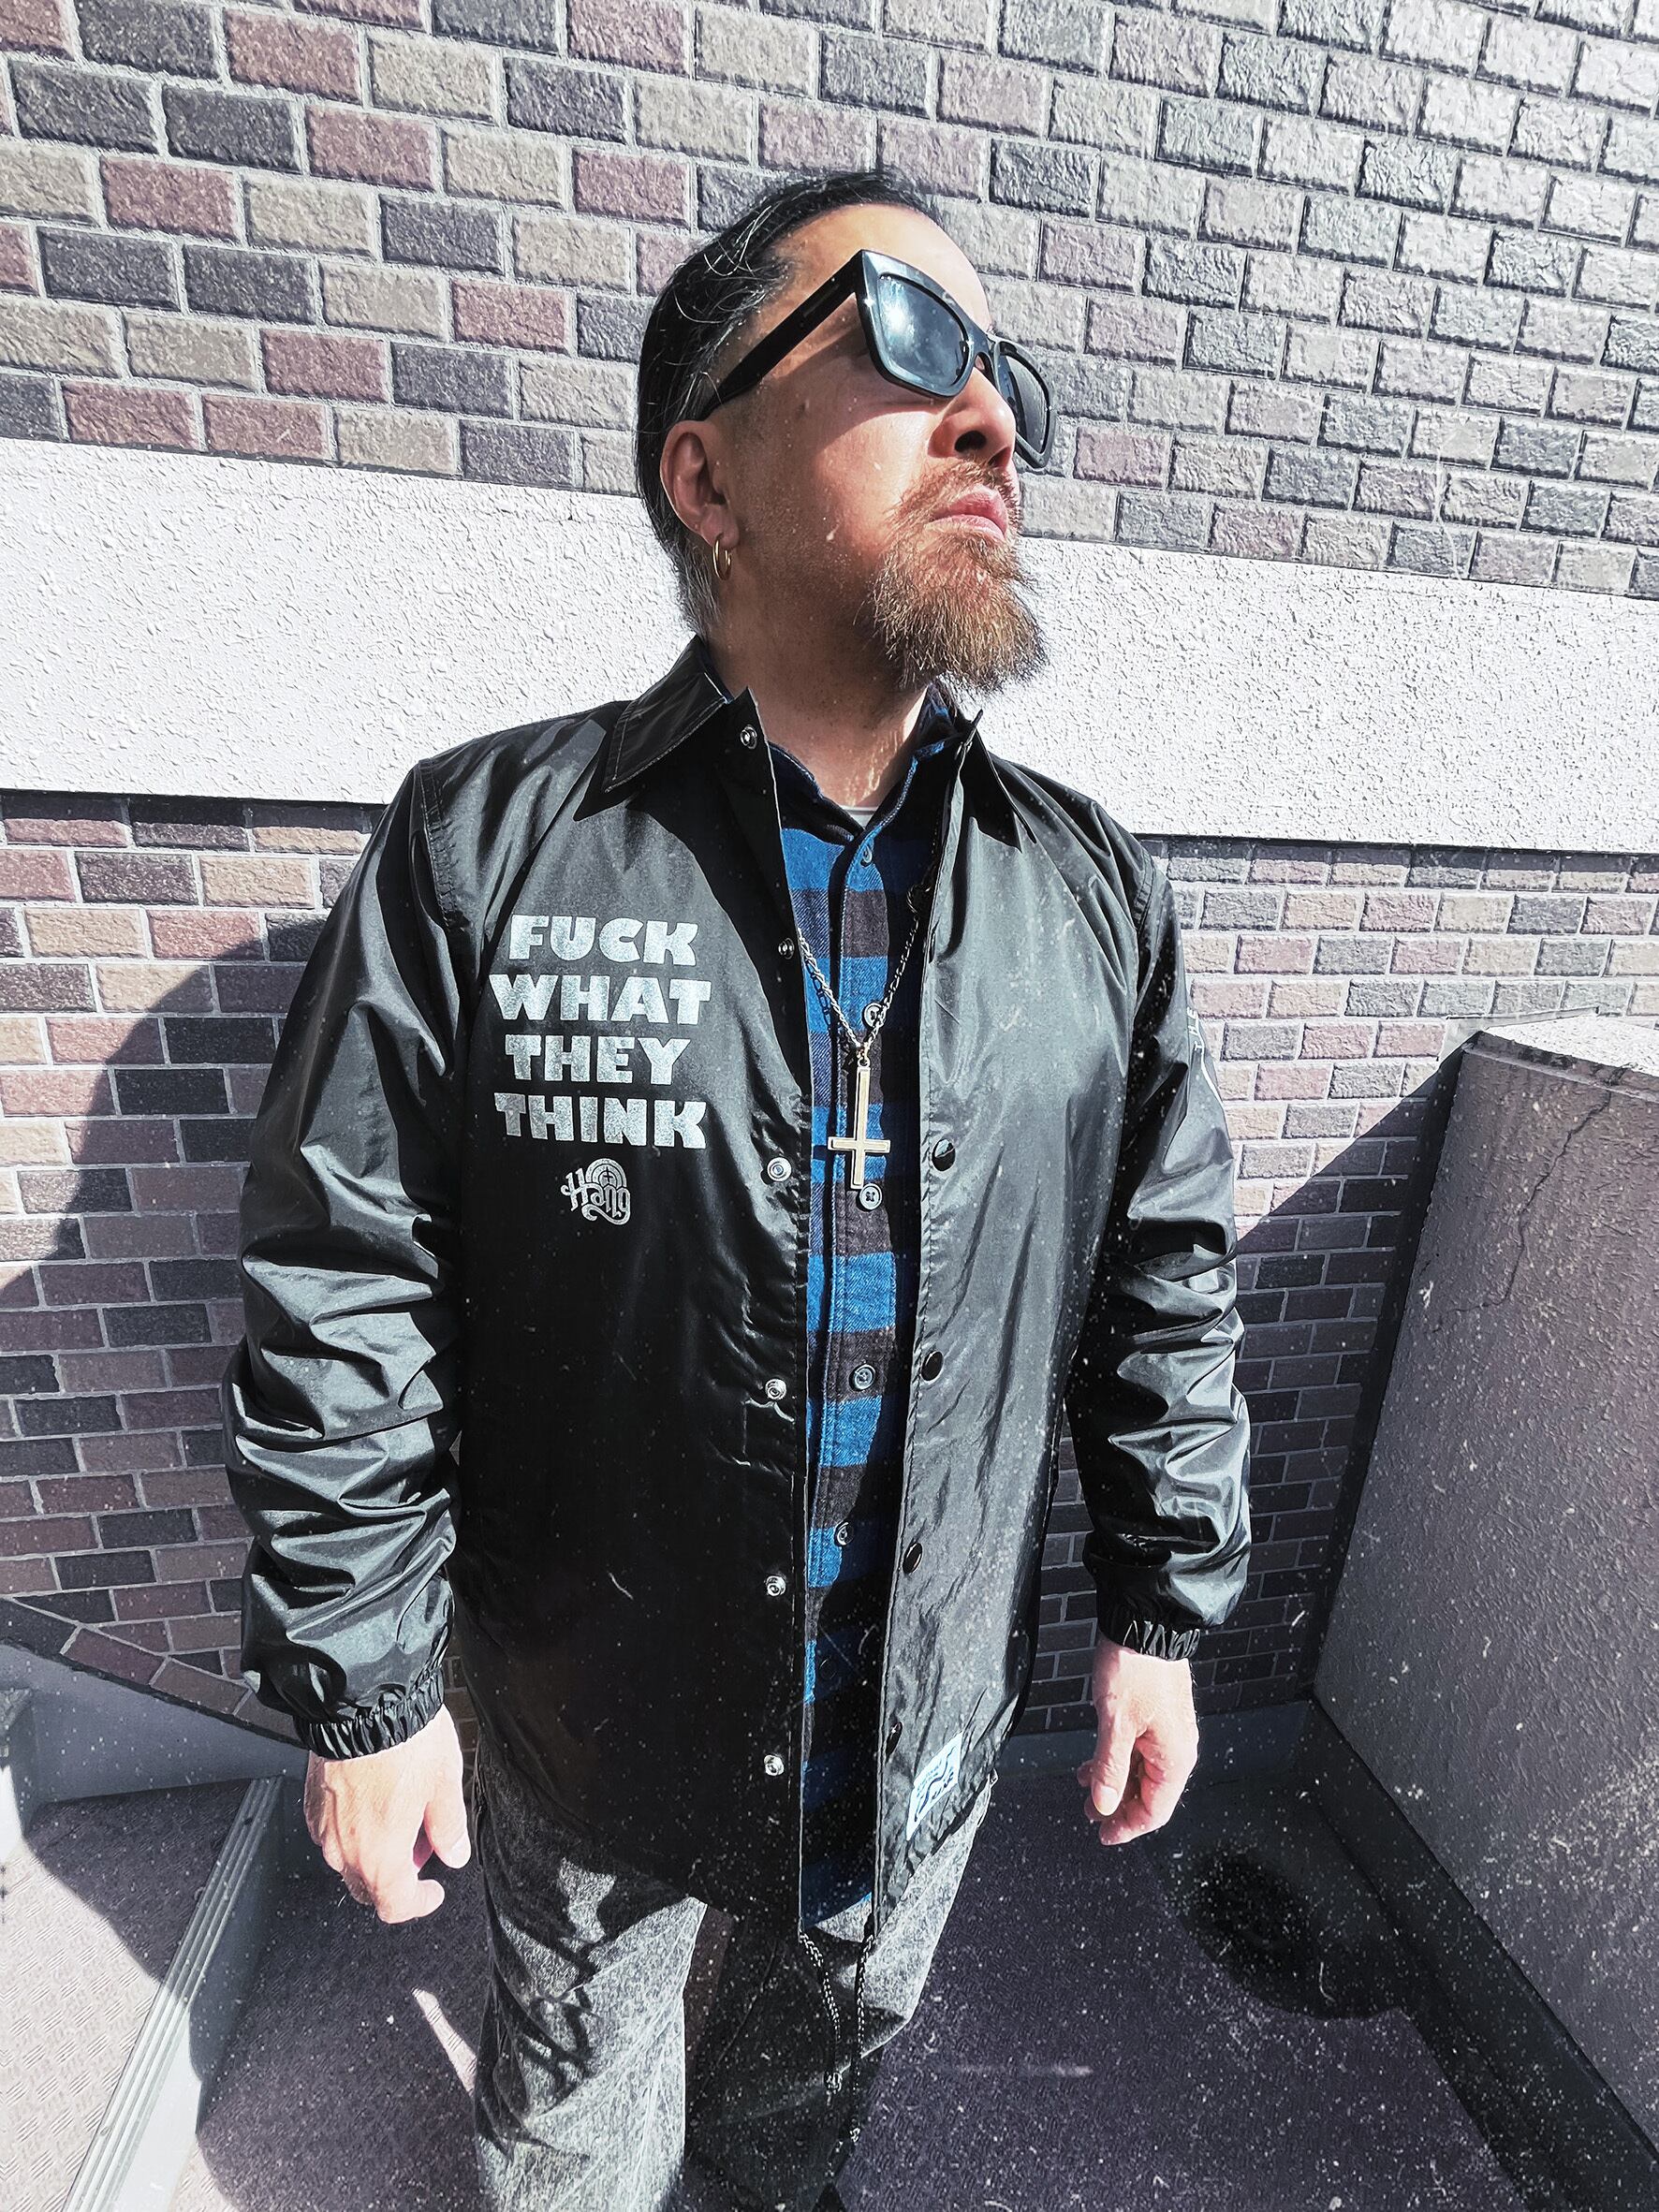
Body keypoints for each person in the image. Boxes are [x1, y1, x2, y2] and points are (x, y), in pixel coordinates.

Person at [222, 166, 1253, 2212]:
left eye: (1007, 373)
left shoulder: (1089, 891)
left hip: (919, 1709)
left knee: (805, 2109)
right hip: (592, 1713)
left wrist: (1161, 1605)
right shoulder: (491, 843)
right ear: (705, 473)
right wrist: (366, 1690)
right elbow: (346, 1272)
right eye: (910, 343)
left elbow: (1163, 1273)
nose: (993, 419)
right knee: (574, 2115)